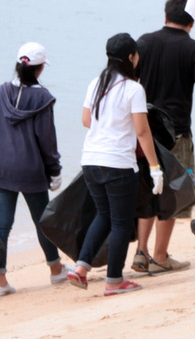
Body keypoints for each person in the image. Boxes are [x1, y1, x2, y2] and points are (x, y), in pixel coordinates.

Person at [68, 33, 164, 296]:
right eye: (136, 54)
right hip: (118, 164)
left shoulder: (96, 83)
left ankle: (81, 268)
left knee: (104, 215)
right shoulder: (133, 89)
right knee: (121, 222)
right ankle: (114, 280)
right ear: (130, 57)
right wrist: (155, 169)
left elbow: (86, 120)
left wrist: (108, 124)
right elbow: (142, 131)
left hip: (90, 160)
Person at [0, 42, 66, 296]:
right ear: (40, 68)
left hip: (1, 170)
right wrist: (54, 170)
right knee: (42, 221)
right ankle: (56, 270)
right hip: (32, 171)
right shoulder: (43, 98)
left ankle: (1, 281)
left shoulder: (0, 92)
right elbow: (47, 140)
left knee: (3, 225)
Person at [133, 0, 195, 274]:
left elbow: (130, 83)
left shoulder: (144, 42)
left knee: (148, 190)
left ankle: (141, 252)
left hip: (145, 130)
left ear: (165, 16)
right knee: (174, 192)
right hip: (177, 131)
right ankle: (160, 255)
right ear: (192, 21)